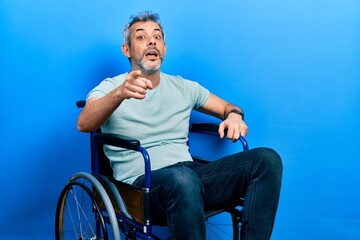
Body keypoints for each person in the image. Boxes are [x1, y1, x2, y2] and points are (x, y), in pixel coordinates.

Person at [77, 11, 282, 240]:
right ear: (127, 50)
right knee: (183, 180)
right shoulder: (111, 87)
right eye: (141, 37)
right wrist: (119, 94)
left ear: (164, 48)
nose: (152, 41)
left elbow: (228, 107)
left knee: (267, 159)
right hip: (141, 185)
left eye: (157, 36)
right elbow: (84, 123)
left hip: (190, 175)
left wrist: (234, 116)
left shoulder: (184, 87)